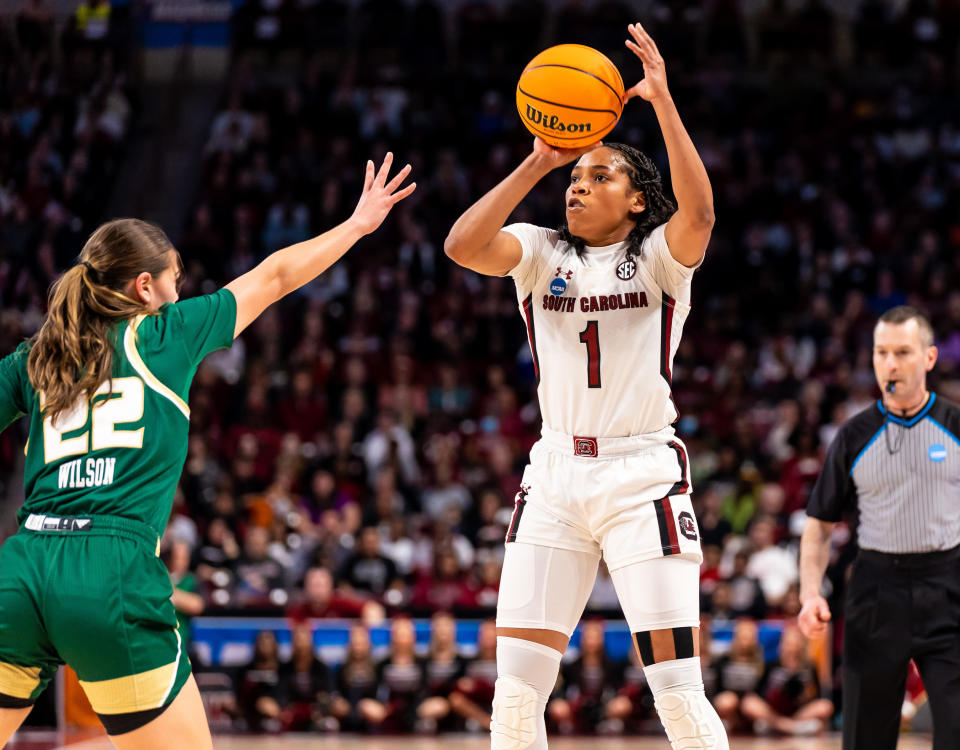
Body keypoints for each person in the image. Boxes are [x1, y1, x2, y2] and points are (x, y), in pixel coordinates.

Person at [0, 153, 414, 749]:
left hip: (25, 564)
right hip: (108, 569)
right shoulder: (165, 333)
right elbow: (273, 277)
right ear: (146, 287)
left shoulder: (37, 355)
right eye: (174, 279)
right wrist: (355, 225)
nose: (179, 291)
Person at [445, 22, 727, 750]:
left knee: (677, 694)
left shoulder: (662, 258)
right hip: (557, 475)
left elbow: (699, 213)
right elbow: (462, 244)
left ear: (637, 200)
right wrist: (538, 164)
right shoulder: (540, 253)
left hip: (642, 476)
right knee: (513, 699)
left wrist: (662, 103)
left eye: (600, 177)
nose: (580, 186)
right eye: (577, 178)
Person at [799, 305, 960, 750]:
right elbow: (818, 524)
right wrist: (810, 592)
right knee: (866, 737)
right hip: (876, 589)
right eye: (881, 352)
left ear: (928, 358)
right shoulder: (854, 435)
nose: (891, 363)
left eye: (903, 352)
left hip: (948, 585)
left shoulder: (954, 426)